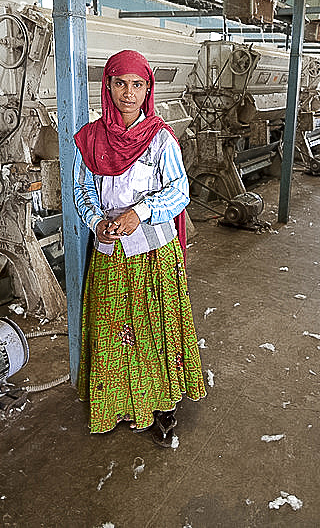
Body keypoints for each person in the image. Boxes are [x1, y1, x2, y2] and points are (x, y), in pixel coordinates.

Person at [72, 49, 206, 447]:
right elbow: (81, 188)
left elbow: (180, 191)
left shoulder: (161, 138)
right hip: (111, 251)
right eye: (120, 84)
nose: (128, 94)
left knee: (153, 329)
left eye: (137, 85)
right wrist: (97, 221)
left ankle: (163, 409)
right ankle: (116, 403)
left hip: (152, 253)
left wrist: (141, 212)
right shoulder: (92, 138)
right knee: (113, 328)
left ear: (147, 90)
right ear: (108, 86)